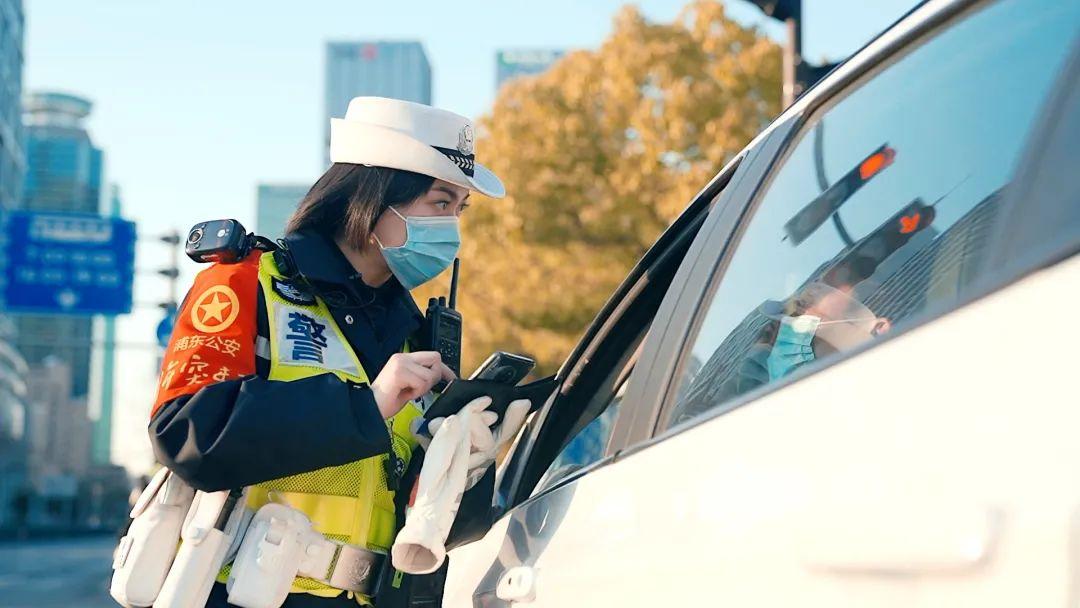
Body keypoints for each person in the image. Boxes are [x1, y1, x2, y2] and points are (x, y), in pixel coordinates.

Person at [148, 97, 517, 607]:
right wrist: (366, 404)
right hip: (238, 592)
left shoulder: (417, 335)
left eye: (460, 208)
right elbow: (187, 433)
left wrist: (467, 459)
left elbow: (413, 510)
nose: (452, 225)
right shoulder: (243, 281)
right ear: (372, 196)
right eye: (439, 202)